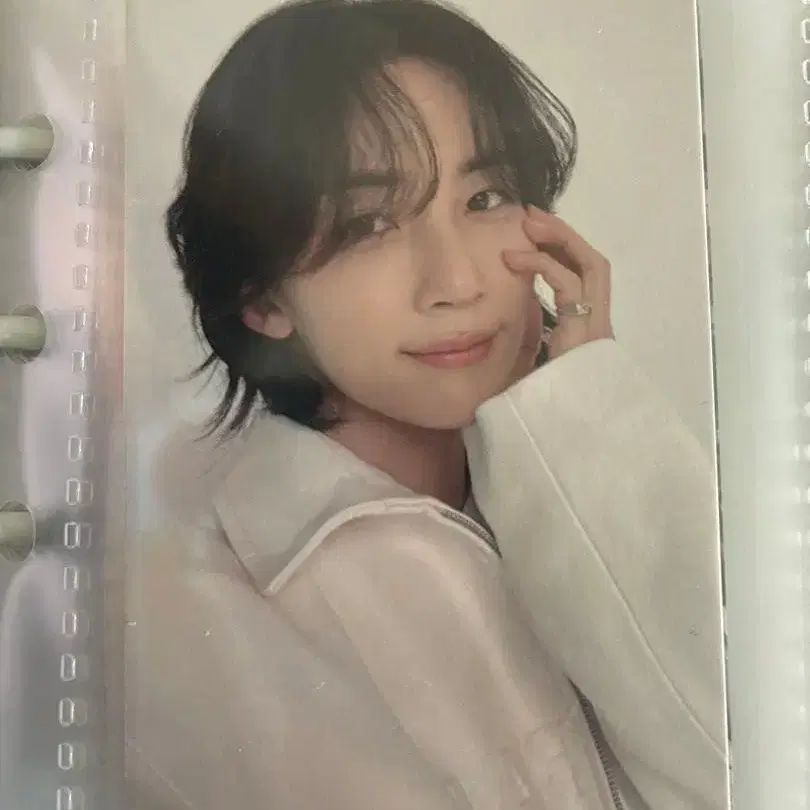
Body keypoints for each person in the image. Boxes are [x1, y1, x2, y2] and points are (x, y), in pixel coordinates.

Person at [125, 1, 727, 808]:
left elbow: (767, 762)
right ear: (261, 296)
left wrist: (587, 419)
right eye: (368, 223)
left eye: (484, 199)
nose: (457, 282)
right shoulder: (187, 620)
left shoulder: (579, 487)